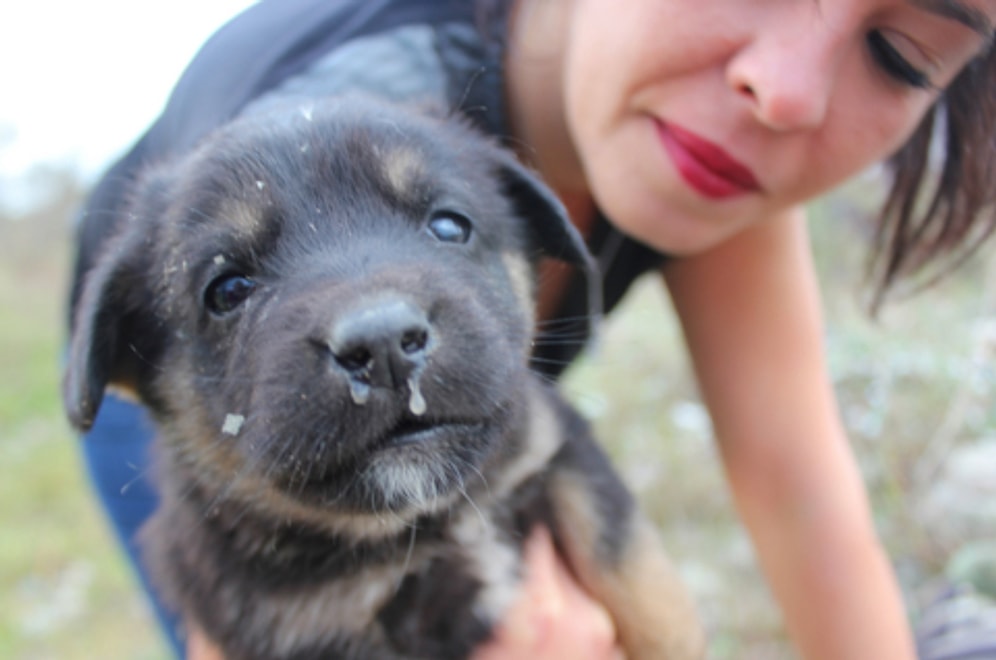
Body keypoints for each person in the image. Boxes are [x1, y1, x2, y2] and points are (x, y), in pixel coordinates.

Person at [67, 0, 996, 658]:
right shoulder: (332, 114)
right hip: (198, 376)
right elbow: (232, 608)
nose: (785, 90)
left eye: (901, 55)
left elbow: (797, 486)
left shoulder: (725, 137)